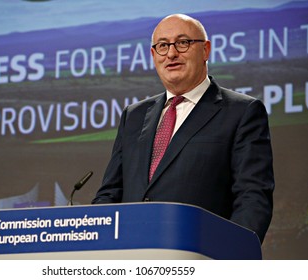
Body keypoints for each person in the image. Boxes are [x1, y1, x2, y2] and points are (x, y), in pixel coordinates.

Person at [92, 14, 274, 243]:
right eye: (162, 46)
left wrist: (232, 255)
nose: (171, 53)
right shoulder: (134, 116)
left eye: (183, 43)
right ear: (153, 55)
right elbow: (110, 194)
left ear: (205, 50)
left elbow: (252, 198)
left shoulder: (242, 112)